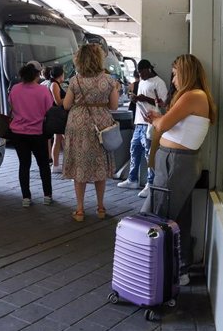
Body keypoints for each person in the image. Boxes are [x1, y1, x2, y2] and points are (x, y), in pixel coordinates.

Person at [143, 54, 216, 286]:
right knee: (180, 219)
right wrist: (159, 119)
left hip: (175, 163)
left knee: (158, 215)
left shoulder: (193, 95)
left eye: (175, 74)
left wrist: (156, 120)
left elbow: (164, 126)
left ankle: (157, 270)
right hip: (180, 162)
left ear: (185, 73)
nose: (173, 80)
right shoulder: (199, 96)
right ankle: (180, 268)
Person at [63, 44, 119, 222]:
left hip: (78, 125)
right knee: (99, 165)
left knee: (80, 164)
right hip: (100, 125)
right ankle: (101, 207)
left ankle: (79, 210)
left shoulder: (75, 81)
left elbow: (66, 105)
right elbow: (114, 106)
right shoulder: (109, 81)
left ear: (79, 60)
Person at [117, 59, 168, 198]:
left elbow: (163, 104)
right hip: (140, 122)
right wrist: (136, 99)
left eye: (142, 72)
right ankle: (132, 179)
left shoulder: (159, 82)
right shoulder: (142, 82)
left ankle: (150, 184)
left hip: (151, 124)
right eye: (139, 73)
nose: (141, 75)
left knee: (149, 155)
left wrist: (144, 98)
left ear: (148, 70)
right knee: (134, 150)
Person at [8, 60, 54, 207]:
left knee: (24, 165)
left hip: (18, 133)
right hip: (37, 133)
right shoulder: (43, 91)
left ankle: (26, 198)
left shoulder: (15, 89)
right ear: (38, 74)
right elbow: (49, 110)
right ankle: (47, 196)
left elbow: (12, 105)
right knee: (43, 165)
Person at [49, 65, 66, 174]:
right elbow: (58, 102)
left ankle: (57, 165)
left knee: (59, 139)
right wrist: (69, 97)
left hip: (59, 115)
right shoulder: (54, 85)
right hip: (58, 115)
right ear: (60, 74)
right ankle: (56, 165)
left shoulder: (56, 84)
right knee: (58, 139)